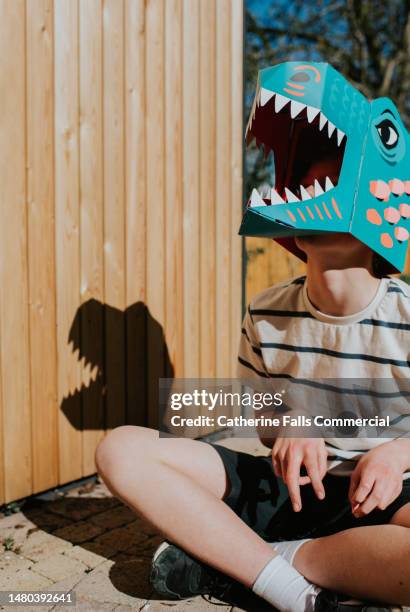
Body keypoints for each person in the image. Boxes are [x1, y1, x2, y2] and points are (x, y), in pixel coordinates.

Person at [95, 160, 410, 612]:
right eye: (303, 187)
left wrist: (398, 453)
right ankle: (293, 589)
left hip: (389, 498)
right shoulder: (265, 311)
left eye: (328, 188)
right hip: (285, 491)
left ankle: (261, 563)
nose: (307, 197)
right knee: (120, 450)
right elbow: (262, 422)